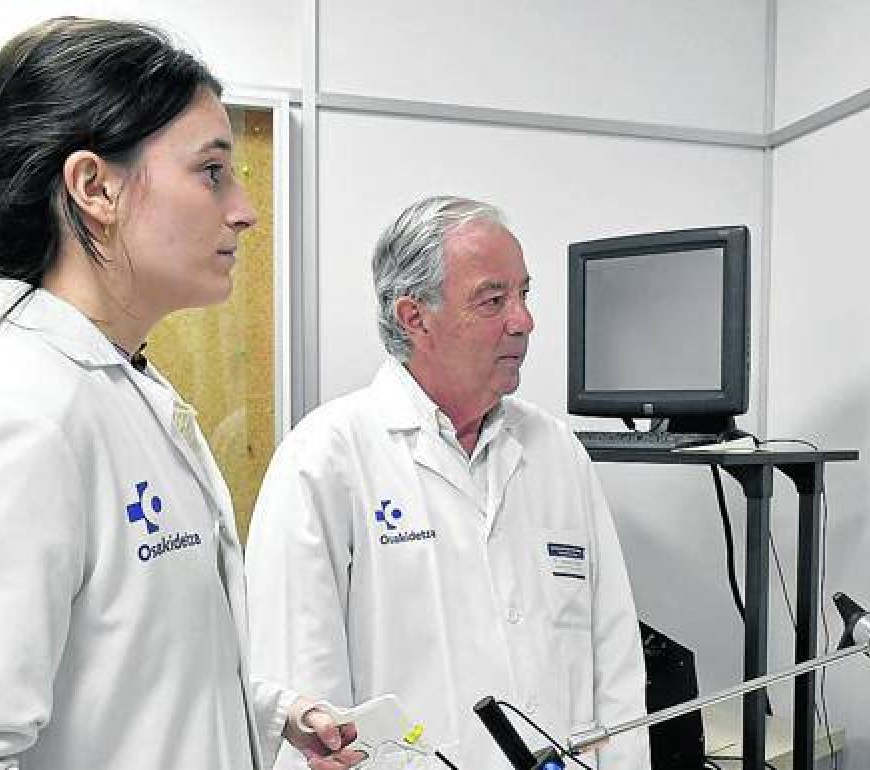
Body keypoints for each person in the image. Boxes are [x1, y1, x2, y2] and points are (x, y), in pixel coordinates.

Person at [0, 17, 362, 770]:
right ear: (95, 187)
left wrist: (270, 712)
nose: (244, 207)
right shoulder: (4, 412)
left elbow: (117, 668)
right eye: (212, 171)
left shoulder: (116, 389)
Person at [244, 196, 652, 770]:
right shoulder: (325, 459)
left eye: (523, 294)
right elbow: (302, 703)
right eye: (493, 300)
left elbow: (616, 665)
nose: (523, 320)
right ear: (415, 318)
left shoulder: (557, 452)